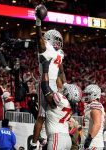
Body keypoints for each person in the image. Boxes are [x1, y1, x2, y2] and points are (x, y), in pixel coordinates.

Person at [30, 5, 67, 149]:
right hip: (45, 81)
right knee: (42, 114)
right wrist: (38, 21)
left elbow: (61, 71)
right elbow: (39, 36)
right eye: (56, 39)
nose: (58, 41)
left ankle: (45, 139)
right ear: (50, 38)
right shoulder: (45, 47)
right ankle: (34, 143)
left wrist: (64, 85)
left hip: (54, 84)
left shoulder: (60, 53)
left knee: (53, 114)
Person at [39, 58, 82, 150]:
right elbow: (63, 84)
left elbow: (45, 87)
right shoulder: (72, 106)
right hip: (66, 139)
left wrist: (45, 68)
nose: (64, 89)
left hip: (57, 138)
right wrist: (59, 65)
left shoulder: (61, 100)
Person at [83, 84, 105, 150]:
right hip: (92, 144)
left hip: (93, 144)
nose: (85, 96)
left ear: (94, 94)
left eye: (87, 94)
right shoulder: (91, 105)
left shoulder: (95, 104)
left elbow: (97, 124)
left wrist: (89, 139)